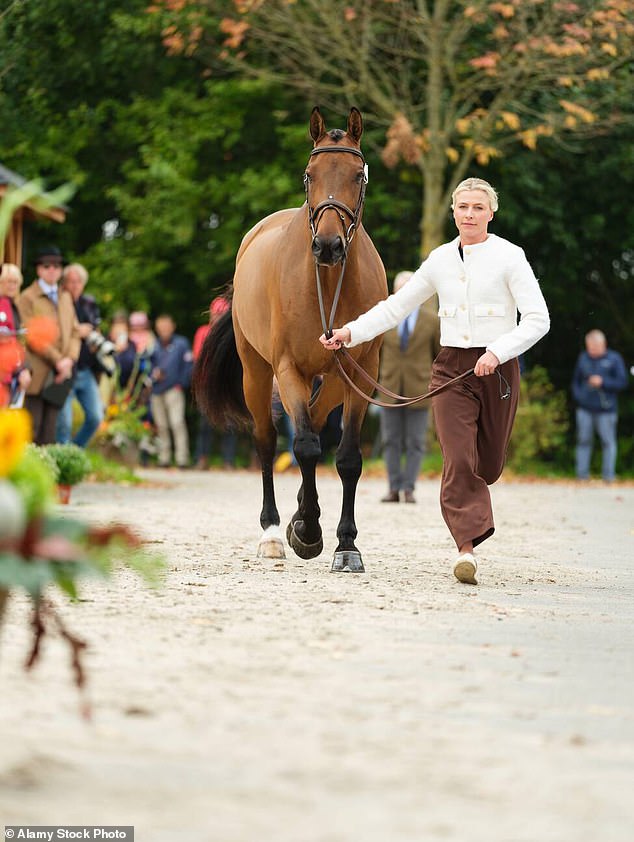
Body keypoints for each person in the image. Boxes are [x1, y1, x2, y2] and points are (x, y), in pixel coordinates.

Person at [320, 177, 550, 585]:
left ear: (490, 213)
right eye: (463, 207)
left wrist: (497, 351)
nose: (469, 214)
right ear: (453, 212)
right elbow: (395, 308)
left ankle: (472, 514)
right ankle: (466, 549)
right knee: (459, 459)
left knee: (489, 463)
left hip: (497, 370)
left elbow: (538, 319)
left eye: (478, 207)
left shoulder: (510, 257)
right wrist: (348, 333)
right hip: (450, 372)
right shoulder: (440, 259)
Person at [377, 270, 441, 504]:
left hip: (420, 390)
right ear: (394, 292)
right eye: (400, 289)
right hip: (389, 387)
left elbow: (439, 355)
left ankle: (409, 488)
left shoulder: (431, 320)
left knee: (415, 441)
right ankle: (393, 488)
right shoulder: (384, 318)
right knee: (390, 440)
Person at [16, 246, 80, 444]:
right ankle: (26, 474)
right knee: (32, 429)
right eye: (47, 266)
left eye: (56, 266)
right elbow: (31, 335)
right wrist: (58, 360)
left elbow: (75, 331)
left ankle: (47, 473)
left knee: (51, 431)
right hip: (38, 372)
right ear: (39, 270)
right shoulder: (27, 298)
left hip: (59, 376)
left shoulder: (66, 297)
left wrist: (69, 359)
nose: (52, 270)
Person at [55, 263, 106, 447]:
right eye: (71, 281)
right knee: (64, 422)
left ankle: (74, 452)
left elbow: (97, 328)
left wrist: (96, 337)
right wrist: (79, 330)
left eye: (78, 282)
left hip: (86, 369)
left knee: (96, 416)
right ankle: (61, 456)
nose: (75, 285)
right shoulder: (59, 301)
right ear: (64, 283)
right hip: (67, 368)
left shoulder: (89, 303)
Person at [572, 329, 628, 483]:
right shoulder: (583, 358)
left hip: (606, 411)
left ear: (603, 344)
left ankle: (608, 476)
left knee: (608, 442)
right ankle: (582, 476)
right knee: (583, 441)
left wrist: (603, 382)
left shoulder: (614, 359)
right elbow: (575, 381)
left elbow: (623, 382)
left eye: (595, 347)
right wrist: (579, 397)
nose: (592, 350)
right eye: (589, 347)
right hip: (585, 409)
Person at [192, 296, 237, 470]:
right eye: (215, 314)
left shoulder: (231, 335)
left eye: (221, 315)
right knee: (205, 424)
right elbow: (198, 356)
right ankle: (201, 458)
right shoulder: (203, 332)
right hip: (207, 384)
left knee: (230, 424)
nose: (217, 318)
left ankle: (228, 460)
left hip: (227, 385)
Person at [150, 313, 193, 468]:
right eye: (161, 326)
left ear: (172, 326)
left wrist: (181, 384)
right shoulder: (153, 345)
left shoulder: (181, 343)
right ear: (157, 328)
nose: (164, 329)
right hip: (156, 390)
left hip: (174, 389)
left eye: (167, 326)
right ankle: (164, 458)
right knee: (161, 425)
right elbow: (147, 365)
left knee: (177, 423)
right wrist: (153, 374)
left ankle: (182, 459)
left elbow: (188, 366)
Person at [0, 263, 32, 406]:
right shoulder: (3, 304)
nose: (12, 285)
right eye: (8, 281)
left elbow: (19, 340)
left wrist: (23, 369)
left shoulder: (14, 306)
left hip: (11, 372)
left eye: (15, 282)